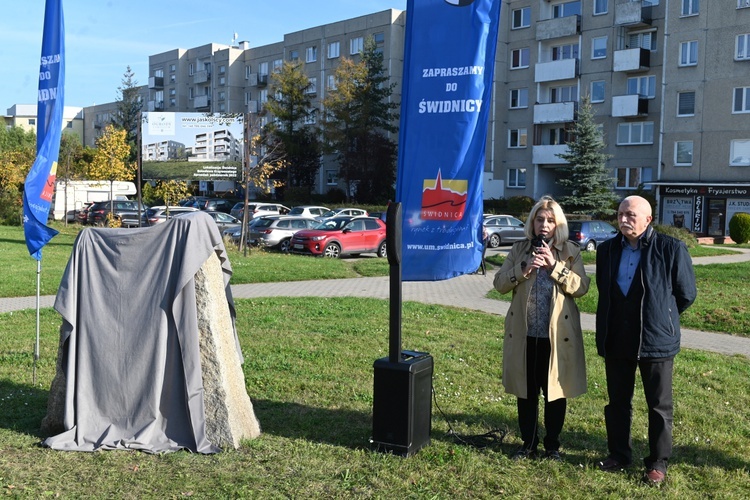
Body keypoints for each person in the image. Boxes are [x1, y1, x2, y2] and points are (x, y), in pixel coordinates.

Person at [595, 195, 697, 485]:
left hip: (656, 340)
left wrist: (662, 316)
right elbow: (606, 290)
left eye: (631, 215)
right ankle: (618, 454)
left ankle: (657, 463)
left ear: (648, 220)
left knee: (659, 406)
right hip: (617, 337)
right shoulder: (607, 250)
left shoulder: (671, 248)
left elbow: (686, 293)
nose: (624, 219)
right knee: (617, 402)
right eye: (620, 213)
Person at [494, 196, 590, 461]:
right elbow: (500, 284)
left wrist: (554, 267)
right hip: (525, 335)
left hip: (557, 337)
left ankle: (552, 446)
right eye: (539, 219)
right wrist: (523, 269)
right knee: (526, 392)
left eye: (550, 220)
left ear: (558, 224)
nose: (544, 225)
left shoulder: (570, 251)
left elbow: (581, 288)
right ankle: (528, 443)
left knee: (554, 394)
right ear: (532, 222)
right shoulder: (520, 249)